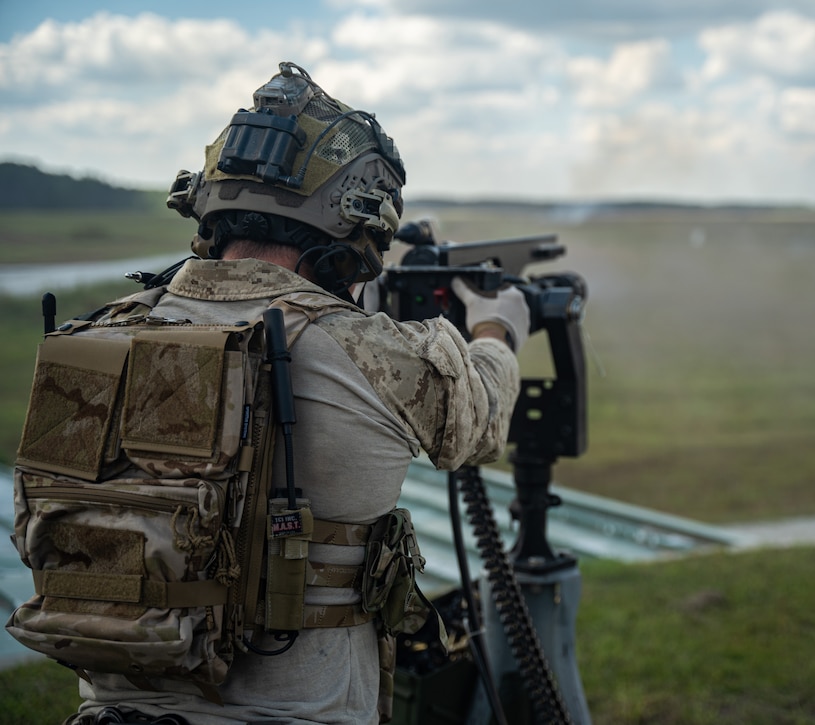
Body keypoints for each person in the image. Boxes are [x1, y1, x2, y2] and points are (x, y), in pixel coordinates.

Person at [65, 62, 530, 725]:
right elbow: (479, 420)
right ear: (354, 219)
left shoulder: (104, 335)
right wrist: (496, 325)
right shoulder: (367, 351)